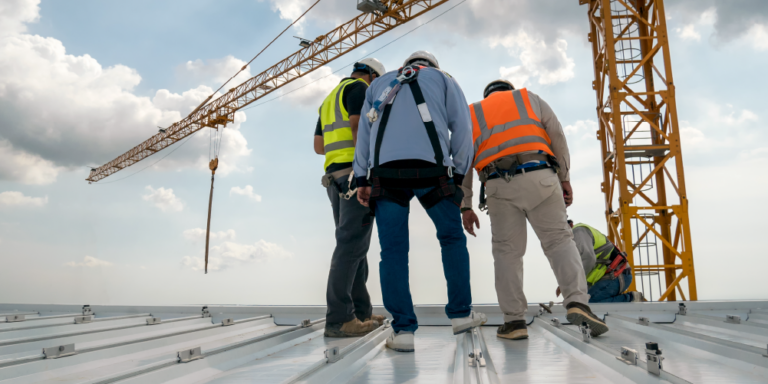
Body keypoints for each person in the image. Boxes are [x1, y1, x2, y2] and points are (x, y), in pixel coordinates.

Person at [354, 51, 487, 352]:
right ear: (431, 66)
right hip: (434, 173)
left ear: (406, 64)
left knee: (393, 252)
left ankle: (403, 331)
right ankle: (460, 315)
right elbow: (464, 128)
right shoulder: (443, 79)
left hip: (386, 176)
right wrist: (460, 171)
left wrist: (362, 178)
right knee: (451, 238)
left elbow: (365, 132)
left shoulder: (379, 85)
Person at [460, 79, 609, 341]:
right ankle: (577, 302)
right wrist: (564, 177)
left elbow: (462, 160)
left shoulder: (473, 112)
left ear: (487, 96)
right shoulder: (530, 99)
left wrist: (466, 205)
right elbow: (557, 135)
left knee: (507, 253)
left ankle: (514, 321)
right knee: (560, 241)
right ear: (510, 90)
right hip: (540, 175)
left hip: (497, 183)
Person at [315, 58, 387, 338]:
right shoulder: (359, 89)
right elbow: (359, 130)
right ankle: (340, 318)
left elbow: (319, 146)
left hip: (334, 178)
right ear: (371, 76)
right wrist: (363, 174)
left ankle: (360, 313)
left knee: (354, 245)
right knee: (350, 246)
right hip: (353, 178)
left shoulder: (329, 98)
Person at [562, 220, 644, 303]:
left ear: (570, 225)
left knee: (587, 303)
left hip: (617, 276)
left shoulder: (578, 232)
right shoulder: (569, 244)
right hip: (607, 277)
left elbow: (588, 258)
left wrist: (571, 283)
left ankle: (630, 298)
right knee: (578, 303)